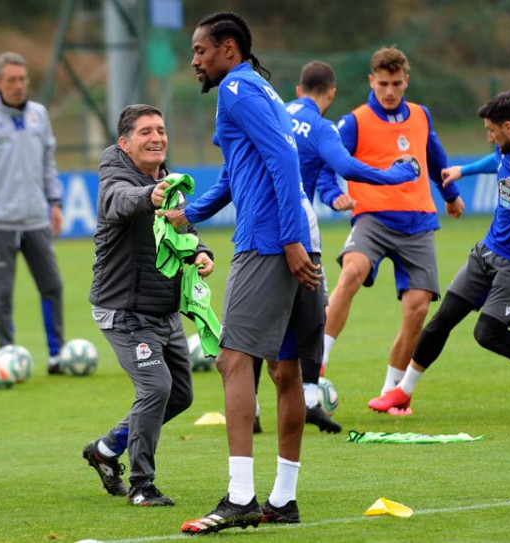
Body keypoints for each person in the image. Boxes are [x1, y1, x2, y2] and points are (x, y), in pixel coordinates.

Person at [161, 12, 322, 534]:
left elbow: (282, 157)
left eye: (200, 51)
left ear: (227, 48)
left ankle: (240, 497)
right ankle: (283, 499)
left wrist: (290, 240)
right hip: (299, 235)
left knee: (232, 361)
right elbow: (238, 171)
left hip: (271, 240)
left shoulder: (236, 87)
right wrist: (193, 214)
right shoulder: (260, 88)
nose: (194, 61)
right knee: (286, 369)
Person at [368, 91, 510, 417]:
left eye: (491, 131)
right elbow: (497, 161)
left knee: (487, 333)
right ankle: (402, 393)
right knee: (440, 321)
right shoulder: (506, 150)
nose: (489, 137)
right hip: (488, 251)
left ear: (508, 127)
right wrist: (463, 170)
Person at [266, 60, 420, 434]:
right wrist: (394, 175)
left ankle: (256, 408)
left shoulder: (274, 111)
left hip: (256, 221)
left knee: (265, 316)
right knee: (313, 314)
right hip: (293, 227)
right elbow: (345, 166)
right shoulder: (323, 127)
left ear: (299, 90)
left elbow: (222, 141)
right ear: (331, 94)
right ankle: (310, 398)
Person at [318, 46, 465, 413]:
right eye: (382, 83)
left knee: (417, 309)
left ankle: (393, 390)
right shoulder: (354, 122)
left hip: (418, 222)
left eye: (396, 84)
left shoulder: (421, 115)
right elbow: (326, 164)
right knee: (352, 270)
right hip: (373, 218)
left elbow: (435, 158)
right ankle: (317, 362)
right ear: (371, 81)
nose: (389, 91)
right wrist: (333, 194)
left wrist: (451, 194)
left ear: (406, 82)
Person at [81, 104, 214, 506]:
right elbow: (116, 202)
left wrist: (200, 252)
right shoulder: (115, 175)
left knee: (180, 395)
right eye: (145, 132)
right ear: (125, 143)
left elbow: (183, 229)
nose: (156, 137)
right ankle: (141, 485)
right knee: (155, 387)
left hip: (163, 309)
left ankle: (105, 450)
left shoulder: (169, 179)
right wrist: (148, 195)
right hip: (124, 310)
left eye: (160, 129)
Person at [0, 51, 66, 374]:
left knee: (53, 287)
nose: (19, 86)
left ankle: (57, 355)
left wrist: (55, 202)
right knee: (2, 296)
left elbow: (48, 162)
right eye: (12, 80)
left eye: (23, 79)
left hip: (36, 221)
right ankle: (6, 357)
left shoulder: (39, 116)